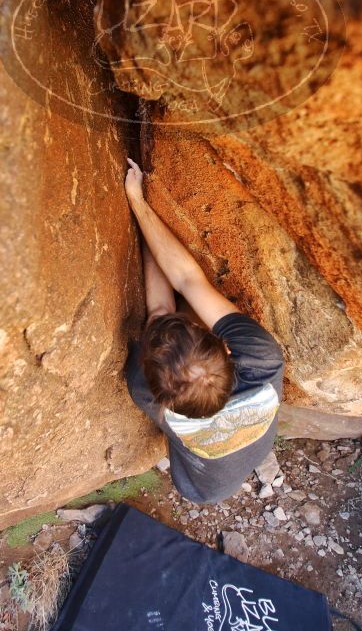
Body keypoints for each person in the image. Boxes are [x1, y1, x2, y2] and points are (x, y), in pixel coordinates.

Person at [124, 157, 284, 503]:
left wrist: (136, 205)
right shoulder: (261, 358)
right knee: (180, 307)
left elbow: (163, 305)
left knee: (166, 311)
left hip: (200, 488)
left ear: (161, 400)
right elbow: (189, 282)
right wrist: (139, 204)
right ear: (226, 348)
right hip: (251, 452)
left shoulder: (143, 391)